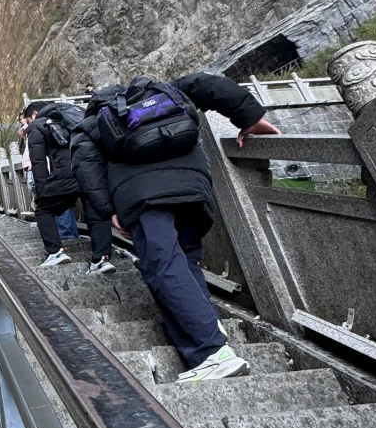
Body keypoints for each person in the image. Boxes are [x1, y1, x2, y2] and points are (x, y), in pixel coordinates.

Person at [72, 73, 282, 382]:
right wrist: (249, 117)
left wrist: (109, 211)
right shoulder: (166, 92)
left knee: (163, 265)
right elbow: (208, 85)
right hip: (193, 187)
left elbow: (86, 168)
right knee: (185, 259)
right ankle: (203, 342)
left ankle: (213, 349)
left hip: (143, 195)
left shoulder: (93, 121)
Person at [24, 101, 114, 272]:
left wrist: (42, 193)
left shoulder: (37, 125)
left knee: (44, 210)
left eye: (28, 119)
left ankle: (55, 251)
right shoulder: (78, 115)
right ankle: (102, 259)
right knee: (96, 211)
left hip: (67, 173)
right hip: (93, 171)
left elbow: (38, 162)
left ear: (34, 114)